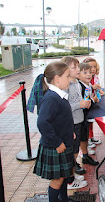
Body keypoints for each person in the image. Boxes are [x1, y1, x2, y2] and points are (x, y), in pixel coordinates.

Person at [33, 61, 80, 202]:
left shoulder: (59, 95)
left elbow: (61, 120)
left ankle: (63, 198)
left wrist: (69, 132)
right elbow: (42, 123)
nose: (70, 78)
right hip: (56, 146)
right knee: (57, 180)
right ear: (57, 79)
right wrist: (57, 142)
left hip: (64, 141)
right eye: (67, 76)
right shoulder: (51, 98)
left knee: (64, 174)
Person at [61, 56, 90, 189]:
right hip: (71, 123)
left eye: (78, 67)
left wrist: (85, 103)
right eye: (75, 67)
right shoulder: (66, 86)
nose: (78, 69)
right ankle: (70, 180)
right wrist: (80, 104)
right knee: (71, 152)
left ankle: (72, 174)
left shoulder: (77, 83)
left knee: (75, 150)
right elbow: (65, 107)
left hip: (78, 121)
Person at [78, 62, 100, 166]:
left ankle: (85, 155)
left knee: (84, 136)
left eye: (89, 73)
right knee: (81, 137)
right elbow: (85, 103)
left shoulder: (87, 85)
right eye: (85, 73)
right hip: (80, 117)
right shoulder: (79, 87)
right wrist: (93, 100)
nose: (88, 75)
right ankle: (80, 159)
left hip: (84, 117)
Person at [83, 57, 104, 146]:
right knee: (86, 123)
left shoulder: (95, 77)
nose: (92, 69)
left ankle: (91, 138)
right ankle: (86, 141)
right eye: (90, 67)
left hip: (92, 101)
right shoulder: (84, 79)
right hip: (86, 104)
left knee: (90, 122)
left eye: (94, 67)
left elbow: (97, 89)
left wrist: (99, 92)